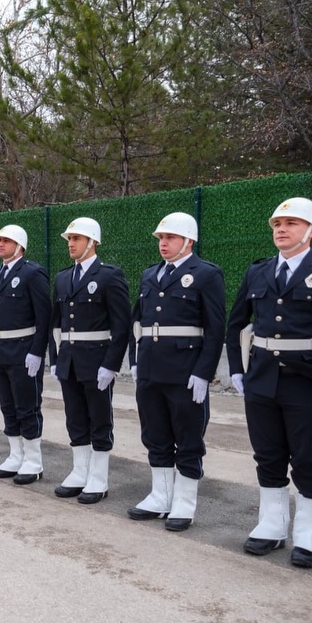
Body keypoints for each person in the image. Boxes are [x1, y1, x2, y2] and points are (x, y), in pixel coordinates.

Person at [225, 197, 312, 568]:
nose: (282, 229)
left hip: (308, 380)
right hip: (262, 378)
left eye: (291, 223)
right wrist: (237, 368)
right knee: (267, 454)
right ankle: (271, 525)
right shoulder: (258, 271)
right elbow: (236, 323)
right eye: (277, 224)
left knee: (307, 457)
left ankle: (309, 533)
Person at [127, 212, 225, 530]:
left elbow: (215, 329)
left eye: (170, 237)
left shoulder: (206, 274)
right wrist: (135, 361)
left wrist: (204, 372)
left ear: (188, 241)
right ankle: (161, 496)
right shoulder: (149, 274)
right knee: (155, 434)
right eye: (161, 238)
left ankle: (183, 502)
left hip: (185, 371)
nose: (163, 243)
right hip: (151, 369)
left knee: (188, 436)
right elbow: (137, 322)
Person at [49, 217, 130, 504]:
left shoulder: (109, 276)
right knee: (74, 417)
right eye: (69, 239)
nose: (71, 244)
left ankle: (98, 478)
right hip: (69, 361)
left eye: (77, 239)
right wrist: (55, 359)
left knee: (99, 419)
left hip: (97, 360)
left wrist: (111, 365)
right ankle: (79, 471)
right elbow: (55, 324)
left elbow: (122, 326)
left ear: (92, 242)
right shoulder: (62, 278)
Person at [0, 224, 52, 484]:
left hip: (23, 350)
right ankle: (15, 455)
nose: (0, 244)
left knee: (27, 406)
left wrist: (37, 352)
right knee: (8, 406)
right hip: (0, 349)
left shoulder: (32, 273)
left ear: (19, 245)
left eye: (6, 240)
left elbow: (44, 317)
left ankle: (33, 461)